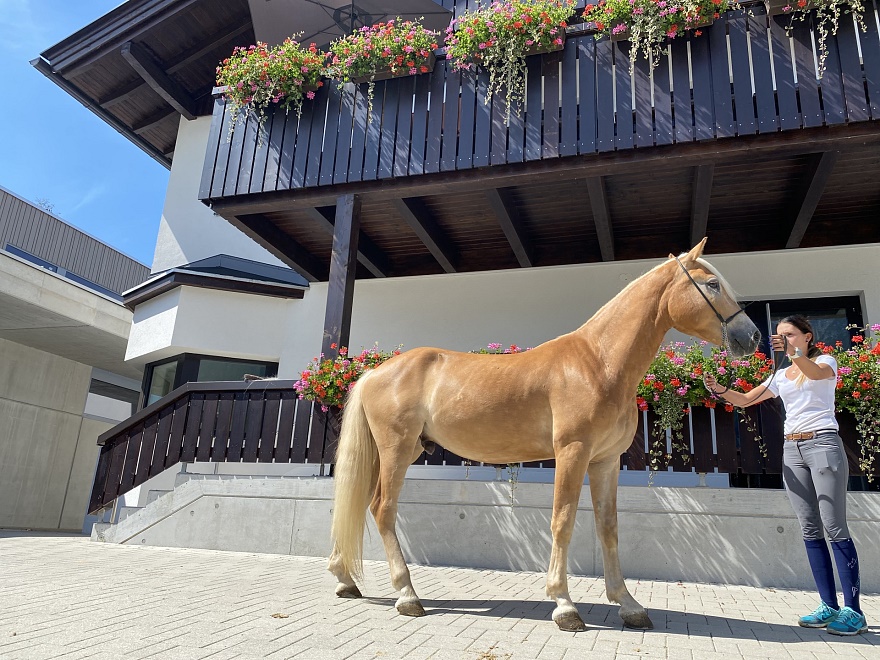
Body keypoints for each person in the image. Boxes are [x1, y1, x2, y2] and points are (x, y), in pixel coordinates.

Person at [703, 315, 867, 636]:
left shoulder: (824, 361)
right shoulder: (780, 375)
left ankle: (853, 611)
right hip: (792, 450)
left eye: (790, 334)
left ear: (807, 336)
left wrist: (794, 354)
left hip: (822, 444)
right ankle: (828, 606)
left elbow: (816, 373)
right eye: (780, 335)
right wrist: (719, 388)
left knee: (834, 526)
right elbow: (746, 399)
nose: (784, 339)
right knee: (809, 528)